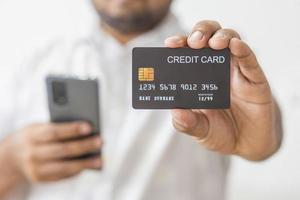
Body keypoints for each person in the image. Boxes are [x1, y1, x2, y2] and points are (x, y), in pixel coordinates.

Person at [0, 0, 282, 199]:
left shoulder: (223, 65)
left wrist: (261, 138)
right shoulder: (32, 64)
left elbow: (265, 137)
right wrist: (10, 161)